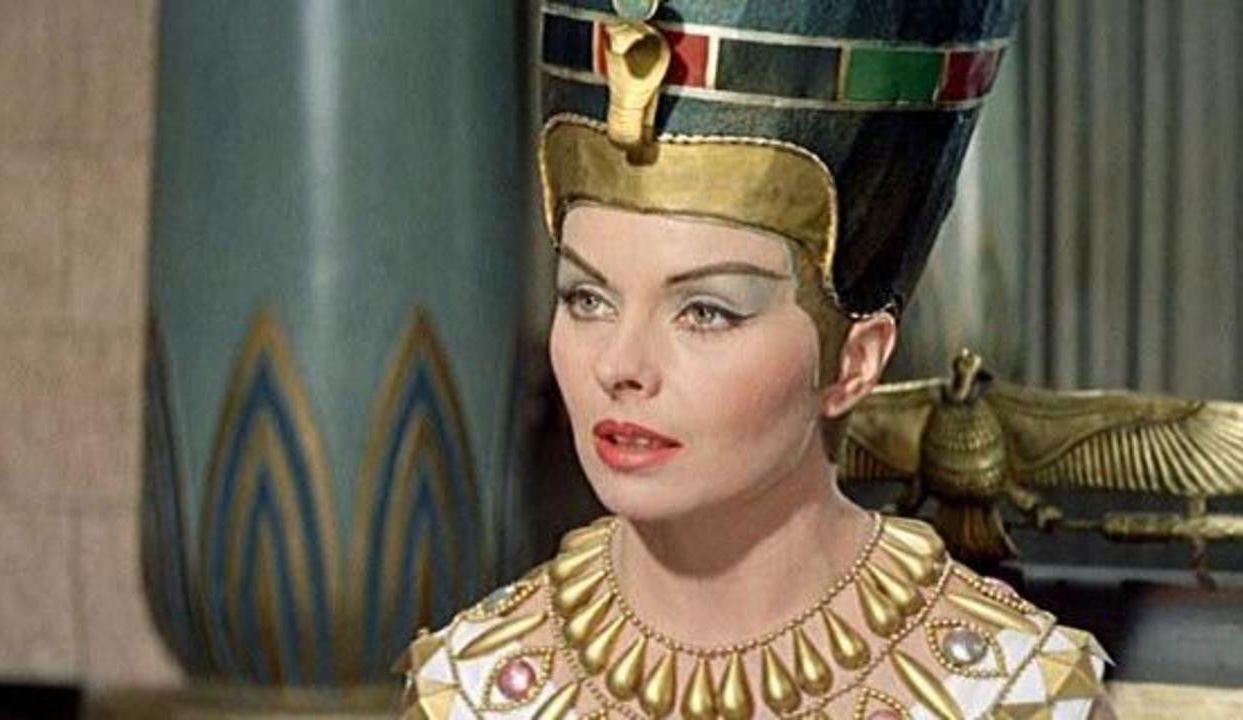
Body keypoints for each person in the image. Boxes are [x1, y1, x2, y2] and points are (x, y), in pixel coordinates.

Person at [401, 1, 1115, 717]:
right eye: (588, 298)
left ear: (855, 361)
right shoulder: (473, 690)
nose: (620, 364)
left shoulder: (1011, 696)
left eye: (705, 312)